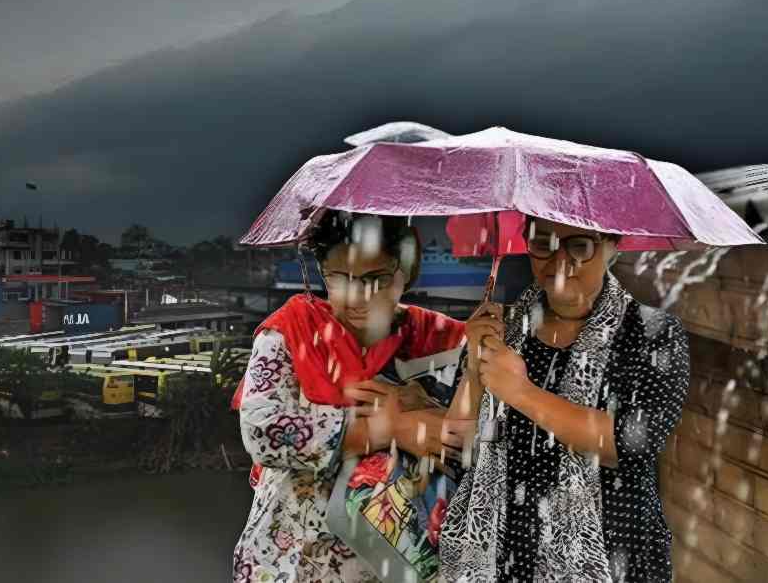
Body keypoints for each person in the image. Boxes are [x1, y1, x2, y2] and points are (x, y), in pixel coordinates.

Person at [440, 217, 690, 583]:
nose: (558, 263)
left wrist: (521, 393)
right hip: (509, 558)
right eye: (542, 244)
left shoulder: (653, 334)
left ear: (611, 243)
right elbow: (458, 444)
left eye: (578, 246)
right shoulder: (502, 329)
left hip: (613, 557)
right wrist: (475, 374)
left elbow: (628, 444)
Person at [232, 212, 468, 582]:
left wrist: (423, 405)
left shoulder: (434, 336)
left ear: (405, 272)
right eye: (340, 278)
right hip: (297, 551)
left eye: (376, 279)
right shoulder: (290, 333)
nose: (357, 297)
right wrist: (389, 429)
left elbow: (474, 428)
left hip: (395, 552)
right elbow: (266, 433)